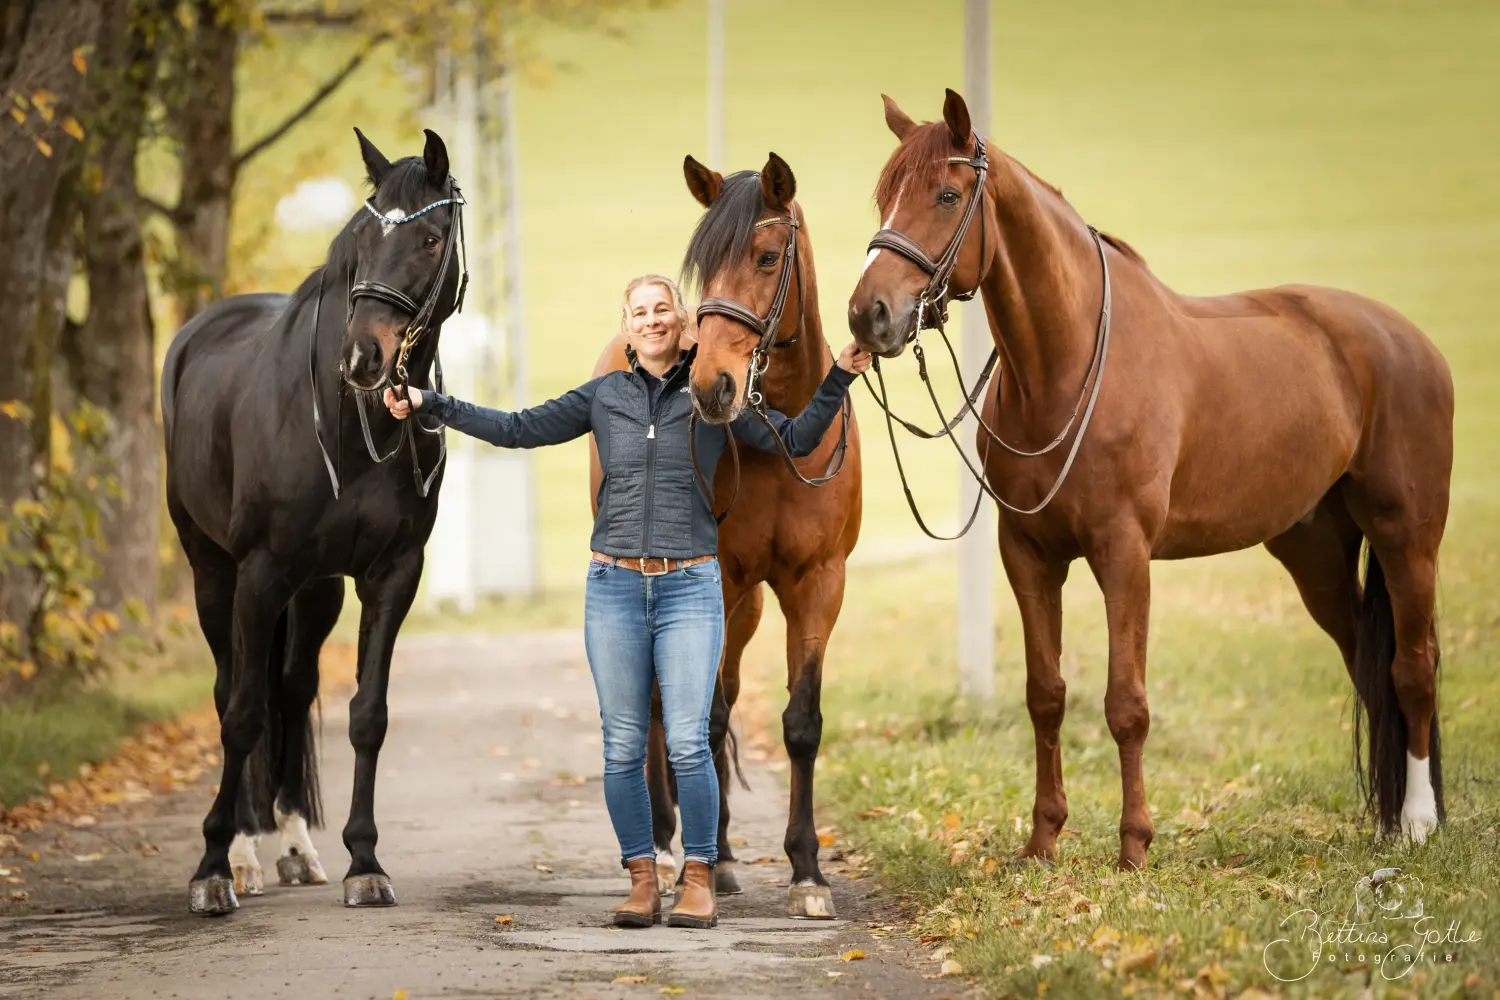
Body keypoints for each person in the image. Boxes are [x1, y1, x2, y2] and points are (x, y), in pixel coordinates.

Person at [385, 274, 871, 928]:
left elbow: (801, 436)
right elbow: (516, 427)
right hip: (612, 586)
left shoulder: (714, 399)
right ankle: (643, 878)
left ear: (683, 321)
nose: (651, 321)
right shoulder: (603, 395)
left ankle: (698, 878)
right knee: (621, 745)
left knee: (693, 744)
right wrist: (428, 401)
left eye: (662, 310)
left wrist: (839, 373)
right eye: (639, 313)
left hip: (691, 587)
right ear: (628, 323)